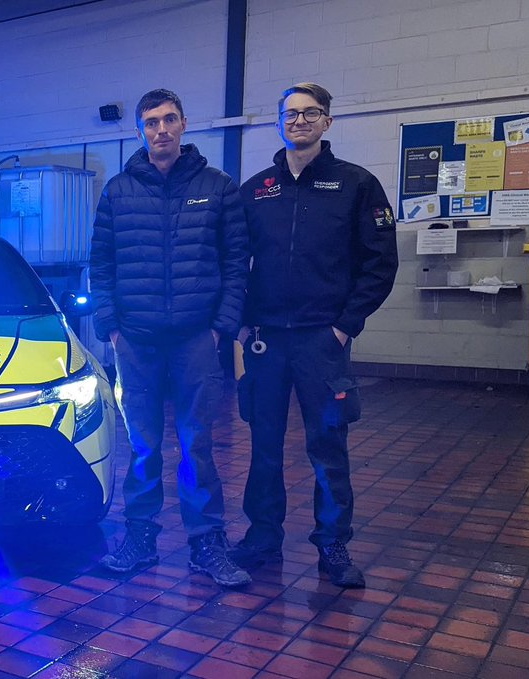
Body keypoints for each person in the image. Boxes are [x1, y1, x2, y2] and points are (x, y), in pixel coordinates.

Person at [231, 83, 397, 588]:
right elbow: (233, 261)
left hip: (322, 343)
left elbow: (379, 263)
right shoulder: (256, 190)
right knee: (263, 445)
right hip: (265, 342)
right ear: (279, 122)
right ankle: (261, 536)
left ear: (327, 122)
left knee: (328, 446)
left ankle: (333, 546)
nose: (298, 121)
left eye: (310, 113)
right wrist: (239, 321)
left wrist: (345, 327)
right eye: (289, 113)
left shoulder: (356, 185)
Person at [89, 89, 251, 587]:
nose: (161, 130)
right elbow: (101, 264)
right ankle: (140, 538)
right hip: (134, 341)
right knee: (141, 446)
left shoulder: (217, 186)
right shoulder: (118, 190)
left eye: (169, 120)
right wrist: (110, 327)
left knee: (197, 443)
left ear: (184, 124)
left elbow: (235, 263)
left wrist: (222, 328)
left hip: (194, 340)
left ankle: (206, 543)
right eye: (151, 122)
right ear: (141, 130)